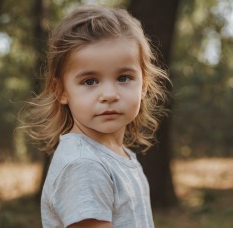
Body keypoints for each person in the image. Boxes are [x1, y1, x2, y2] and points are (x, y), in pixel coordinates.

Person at [22, 5, 170, 228]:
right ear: (61, 91)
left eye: (124, 77)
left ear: (144, 85)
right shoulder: (84, 165)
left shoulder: (119, 156)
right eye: (90, 81)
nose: (110, 95)